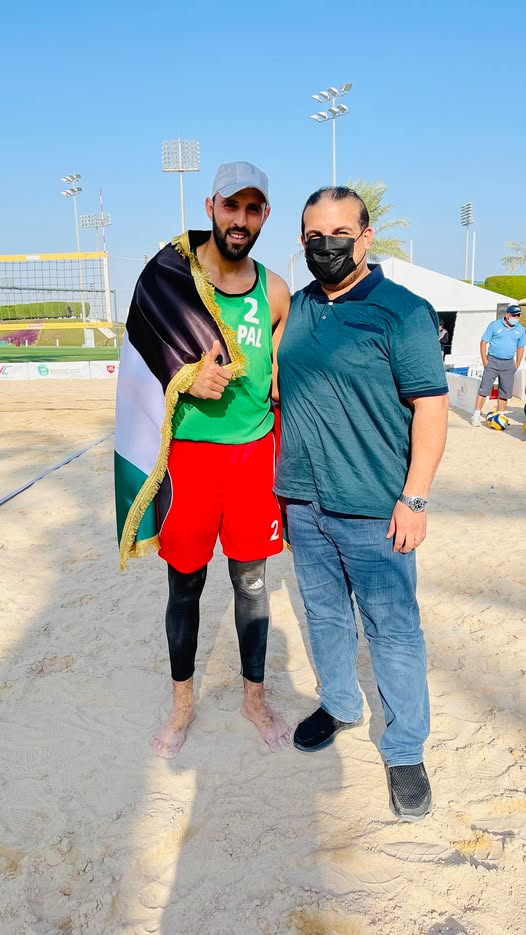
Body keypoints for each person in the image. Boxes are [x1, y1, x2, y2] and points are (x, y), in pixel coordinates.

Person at [274, 186, 449, 821]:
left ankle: (404, 750)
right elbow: (275, 389)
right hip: (303, 503)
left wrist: (415, 498)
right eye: (314, 236)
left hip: (377, 507)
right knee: (325, 617)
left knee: (394, 631)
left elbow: (431, 406)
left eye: (340, 234)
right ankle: (342, 705)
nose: (326, 246)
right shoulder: (295, 309)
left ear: (365, 238)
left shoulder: (403, 311)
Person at [114, 161, 291, 758]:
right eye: (230, 205)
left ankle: (254, 700)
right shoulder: (170, 280)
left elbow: (280, 382)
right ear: (211, 207)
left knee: (252, 585)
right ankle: (182, 705)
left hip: (252, 462)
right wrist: (185, 378)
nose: (240, 219)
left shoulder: (275, 292)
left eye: (252, 208)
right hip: (189, 463)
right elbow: (141, 358)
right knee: (184, 586)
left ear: (264, 216)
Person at [470, 304, 526, 426]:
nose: (516, 317)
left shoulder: (521, 329)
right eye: (514, 315)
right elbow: (483, 342)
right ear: (507, 315)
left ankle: (501, 415)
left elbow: (521, 347)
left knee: (505, 391)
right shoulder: (494, 325)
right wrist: (485, 360)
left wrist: (517, 364)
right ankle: (476, 415)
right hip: (493, 361)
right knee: (484, 389)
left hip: (509, 363)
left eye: (518, 315)